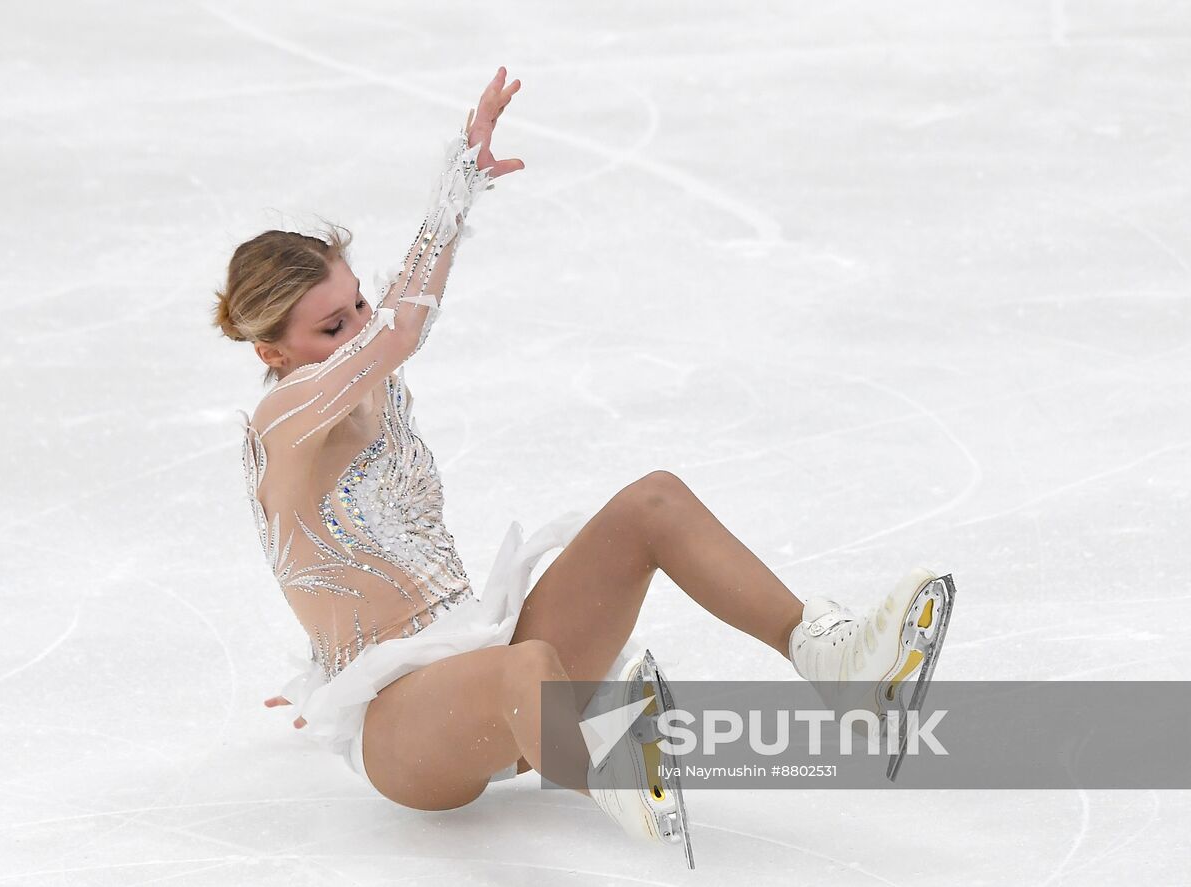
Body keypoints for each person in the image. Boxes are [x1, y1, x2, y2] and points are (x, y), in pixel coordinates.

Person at [212, 66, 955, 859]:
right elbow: (402, 329)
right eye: (333, 327)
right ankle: (608, 762)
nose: (360, 328)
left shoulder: (365, 365)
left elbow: (396, 318)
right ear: (270, 350)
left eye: (359, 301)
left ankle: (833, 660)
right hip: (402, 721)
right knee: (528, 668)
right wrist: (456, 182)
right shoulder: (281, 418)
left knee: (653, 502)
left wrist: (456, 190)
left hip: (482, 652)